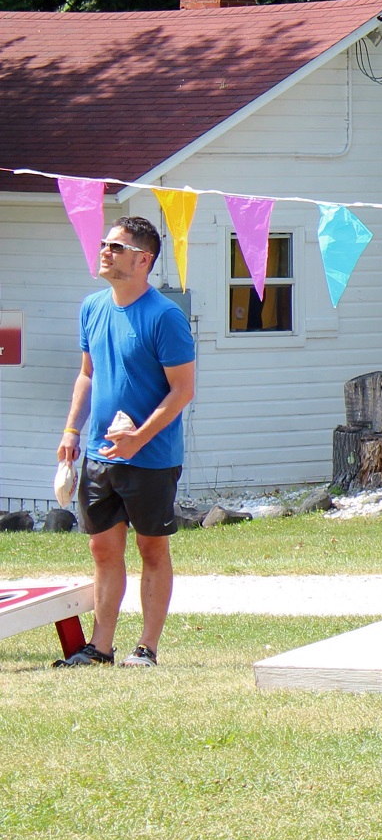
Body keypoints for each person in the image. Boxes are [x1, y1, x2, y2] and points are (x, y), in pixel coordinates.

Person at [55, 216, 196, 668]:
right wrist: (71, 431)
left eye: (116, 247)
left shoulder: (165, 317)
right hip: (99, 454)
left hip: (151, 457)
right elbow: (87, 374)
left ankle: (147, 649)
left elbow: (182, 390)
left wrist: (138, 438)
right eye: (105, 243)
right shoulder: (92, 307)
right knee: (102, 549)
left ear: (143, 260)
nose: (105, 251)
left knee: (151, 548)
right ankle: (100, 648)